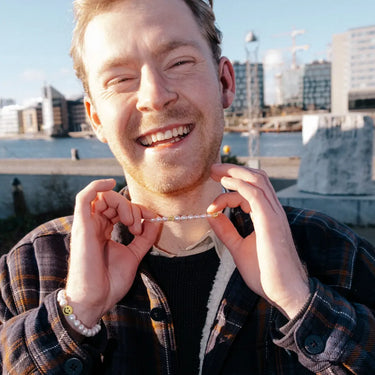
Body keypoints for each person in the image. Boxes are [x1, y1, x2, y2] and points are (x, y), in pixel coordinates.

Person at [1, 0, 374, 373]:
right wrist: (74, 313)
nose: (154, 96)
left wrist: (300, 300)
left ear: (225, 82)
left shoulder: (339, 256)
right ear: (96, 118)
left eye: (179, 62)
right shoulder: (27, 272)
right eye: (120, 79)